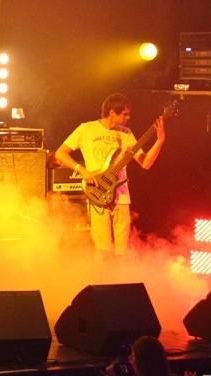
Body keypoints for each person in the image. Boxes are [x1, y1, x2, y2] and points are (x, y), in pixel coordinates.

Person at [54, 93, 165, 256]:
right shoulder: (86, 129)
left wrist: (160, 140)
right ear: (112, 112)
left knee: (122, 251)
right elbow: (60, 153)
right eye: (125, 114)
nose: (129, 117)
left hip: (121, 197)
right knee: (102, 249)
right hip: (97, 193)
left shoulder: (126, 133)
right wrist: (83, 171)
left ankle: (119, 272)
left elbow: (145, 163)